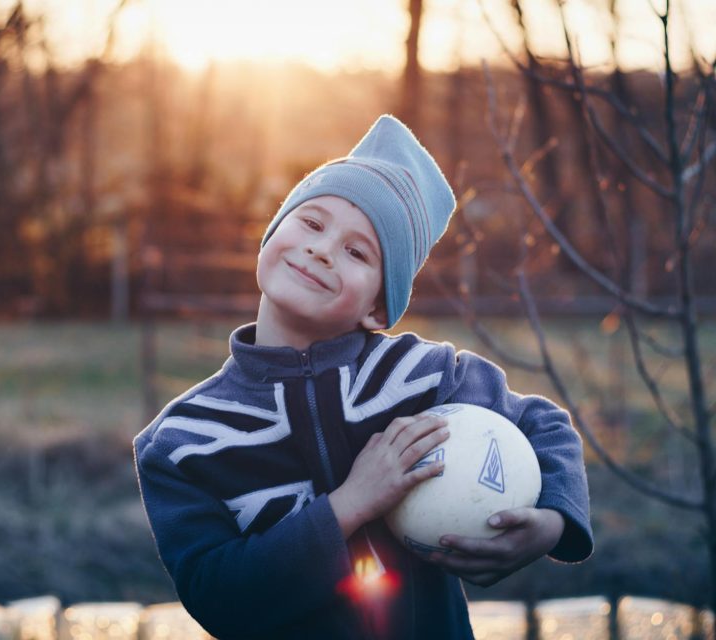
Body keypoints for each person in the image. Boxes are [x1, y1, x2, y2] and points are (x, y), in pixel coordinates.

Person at [133, 115, 593, 640]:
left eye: (357, 252)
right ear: (269, 236)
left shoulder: (423, 377)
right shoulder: (182, 442)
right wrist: (348, 505)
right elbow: (218, 596)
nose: (323, 249)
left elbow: (544, 424)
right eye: (310, 223)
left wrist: (552, 524)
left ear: (379, 307)